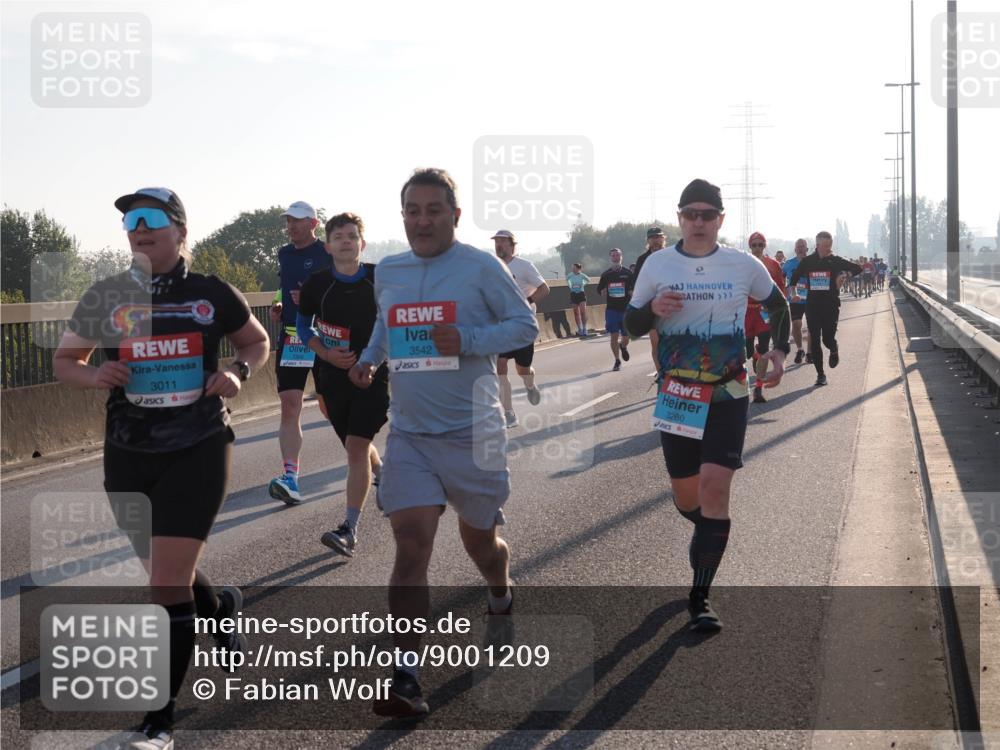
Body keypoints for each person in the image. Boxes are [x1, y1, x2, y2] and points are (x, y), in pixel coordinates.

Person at [53, 187, 270, 750]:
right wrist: (94, 376)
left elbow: (256, 342)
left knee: (163, 583)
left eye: (150, 220)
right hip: (128, 451)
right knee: (167, 569)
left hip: (198, 444)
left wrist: (239, 373)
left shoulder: (210, 293)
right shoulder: (107, 295)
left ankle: (159, 720)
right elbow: (65, 361)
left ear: (179, 230)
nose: (138, 229)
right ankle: (220, 607)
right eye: (130, 222)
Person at [349, 168, 537, 717]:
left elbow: (524, 327)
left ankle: (500, 591)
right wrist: (367, 360)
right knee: (411, 546)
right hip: (410, 434)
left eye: (433, 210)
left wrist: (471, 339)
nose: (422, 220)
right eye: (412, 210)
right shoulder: (390, 270)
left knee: (483, 546)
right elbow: (387, 326)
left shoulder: (482, 266)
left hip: (474, 433)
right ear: (402, 215)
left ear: (454, 216)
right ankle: (406, 676)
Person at [623, 179, 789, 632]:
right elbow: (633, 324)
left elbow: (779, 308)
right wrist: (654, 308)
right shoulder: (658, 264)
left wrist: (779, 351)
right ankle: (707, 530)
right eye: (690, 214)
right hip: (677, 393)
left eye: (707, 215)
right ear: (679, 218)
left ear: (720, 219)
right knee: (687, 497)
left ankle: (700, 596)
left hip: (729, 391)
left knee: (716, 489)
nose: (698, 222)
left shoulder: (742, 264)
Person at [297, 212, 387, 558]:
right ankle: (382, 473)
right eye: (339, 237)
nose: (346, 241)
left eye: (352, 236)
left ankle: (349, 529)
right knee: (355, 445)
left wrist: (373, 361)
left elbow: (396, 324)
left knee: (354, 447)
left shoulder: (381, 279)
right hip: (331, 376)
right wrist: (327, 354)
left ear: (362, 243)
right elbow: (304, 329)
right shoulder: (316, 285)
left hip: (373, 375)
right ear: (328, 245)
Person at [268, 201, 331, 505]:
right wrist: (281, 304)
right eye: (288, 221)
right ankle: (290, 478)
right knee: (289, 406)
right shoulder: (284, 254)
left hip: (324, 338)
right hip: (293, 338)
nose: (290, 226)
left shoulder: (327, 252)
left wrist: (312, 299)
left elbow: (340, 291)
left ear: (313, 224)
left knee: (333, 409)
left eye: (297, 221)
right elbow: (285, 287)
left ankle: (374, 466)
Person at [788, 231, 862, 386]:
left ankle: (833, 348)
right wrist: (793, 293)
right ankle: (820, 374)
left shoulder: (835, 260)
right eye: (826, 246)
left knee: (827, 339)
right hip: (813, 305)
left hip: (831, 305)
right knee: (814, 339)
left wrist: (844, 275)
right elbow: (793, 279)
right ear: (817, 245)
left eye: (830, 245)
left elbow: (858, 268)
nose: (829, 249)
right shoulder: (808, 261)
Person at [492, 229, 549, 428]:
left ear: (512, 244)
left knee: (523, 369)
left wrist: (527, 301)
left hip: (523, 327)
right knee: (500, 368)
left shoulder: (524, 266)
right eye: (496, 242)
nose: (498, 245)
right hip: (501, 327)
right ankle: (509, 412)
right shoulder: (492, 267)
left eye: (502, 242)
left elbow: (545, 288)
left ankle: (530, 385)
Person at [745, 232, 786, 403]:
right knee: (746, 351)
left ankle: (758, 389)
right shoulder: (743, 264)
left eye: (760, 245)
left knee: (764, 348)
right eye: (754, 245)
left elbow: (781, 290)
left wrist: (779, 312)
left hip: (764, 313)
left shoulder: (773, 265)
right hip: (746, 312)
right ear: (750, 247)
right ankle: (753, 354)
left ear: (764, 246)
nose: (757, 248)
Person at [635, 227, 667, 377]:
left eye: (658, 237)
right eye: (652, 238)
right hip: (652, 307)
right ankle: (661, 373)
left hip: (672, 305)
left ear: (663, 239)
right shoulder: (642, 259)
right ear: (648, 241)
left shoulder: (672, 256)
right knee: (656, 343)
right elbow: (637, 284)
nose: (655, 240)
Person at [597, 248, 634, 371]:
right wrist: (603, 292)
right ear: (610, 258)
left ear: (621, 257)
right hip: (612, 309)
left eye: (617, 255)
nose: (615, 258)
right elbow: (600, 290)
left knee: (626, 336)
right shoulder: (606, 275)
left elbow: (635, 289)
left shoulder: (628, 273)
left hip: (626, 309)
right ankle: (617, 360)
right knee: (614, 335)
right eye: (613, 256)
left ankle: (623, 347)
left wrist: (631, 292)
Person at [782, 239, 812, 364]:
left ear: (807, 249)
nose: (800, 248)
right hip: (795, 299)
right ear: (795, 250)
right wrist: (784, 291)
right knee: (796, 325)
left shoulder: (813, 262)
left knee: (812, 327)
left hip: (811, 299)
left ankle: (810, 353)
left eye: (802, 246)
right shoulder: (788, 264)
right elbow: (781, 278)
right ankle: (800, 349)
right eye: (798, 247)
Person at [567, 262, 590, 338]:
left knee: (583, 312)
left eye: (574, 268)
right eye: (572, 268)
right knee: (576, 312)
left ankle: (584, 328)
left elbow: (588, 280)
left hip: (581, 294)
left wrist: (583, 284)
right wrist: (570, 286)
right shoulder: (570, 275)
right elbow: (567, 280)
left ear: (578, 269)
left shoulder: (582, 275)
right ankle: (579, 329)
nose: (573, 269)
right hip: (573, 294)